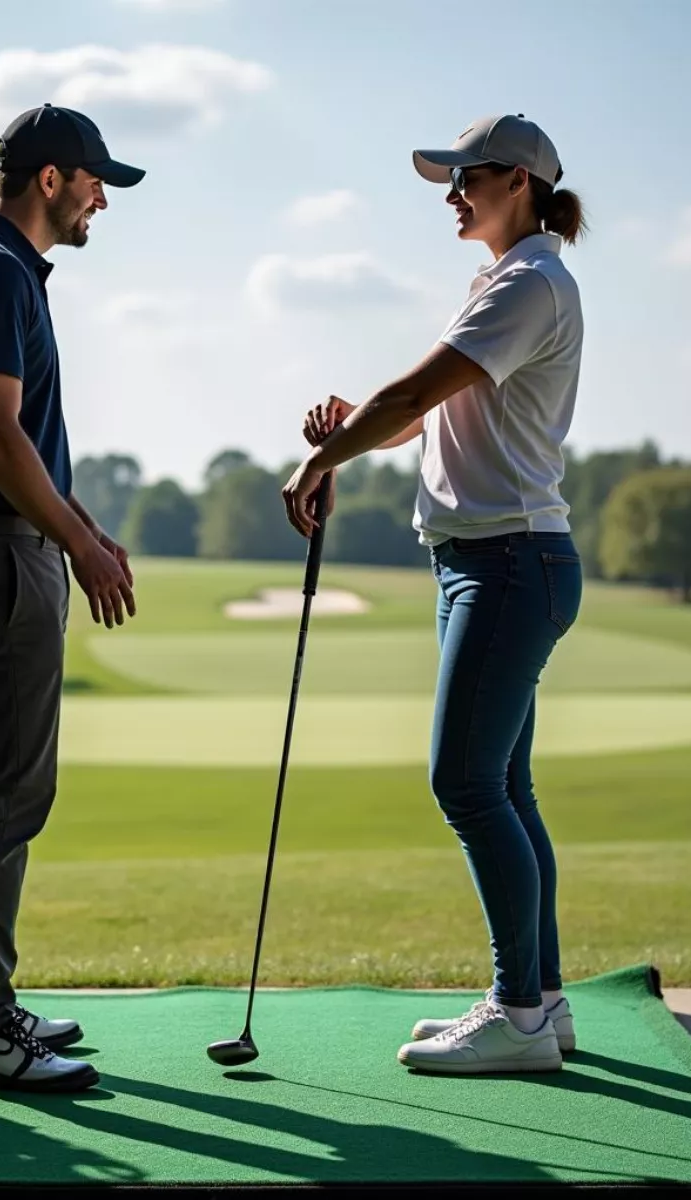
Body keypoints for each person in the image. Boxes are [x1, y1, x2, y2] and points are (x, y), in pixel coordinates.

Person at [283, 114, 587, 1075]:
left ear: (523, 184)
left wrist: (323, 458)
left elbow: (415, 396)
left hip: (508, 562)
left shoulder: (531, 283)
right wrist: (353, 428)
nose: (453, 194)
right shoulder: (500, 282)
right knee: (506, 786)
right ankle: (541, 999)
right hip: (489, 561)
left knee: (464, 781)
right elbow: (435, 417)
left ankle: (519, 1016)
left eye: (470, 178)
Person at [0, 104, 144, 1094]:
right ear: (51, 179)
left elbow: (27, 446)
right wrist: (77, 546)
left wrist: (84, 525)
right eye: (94, 181)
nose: (101, 199)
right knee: (11, 795)